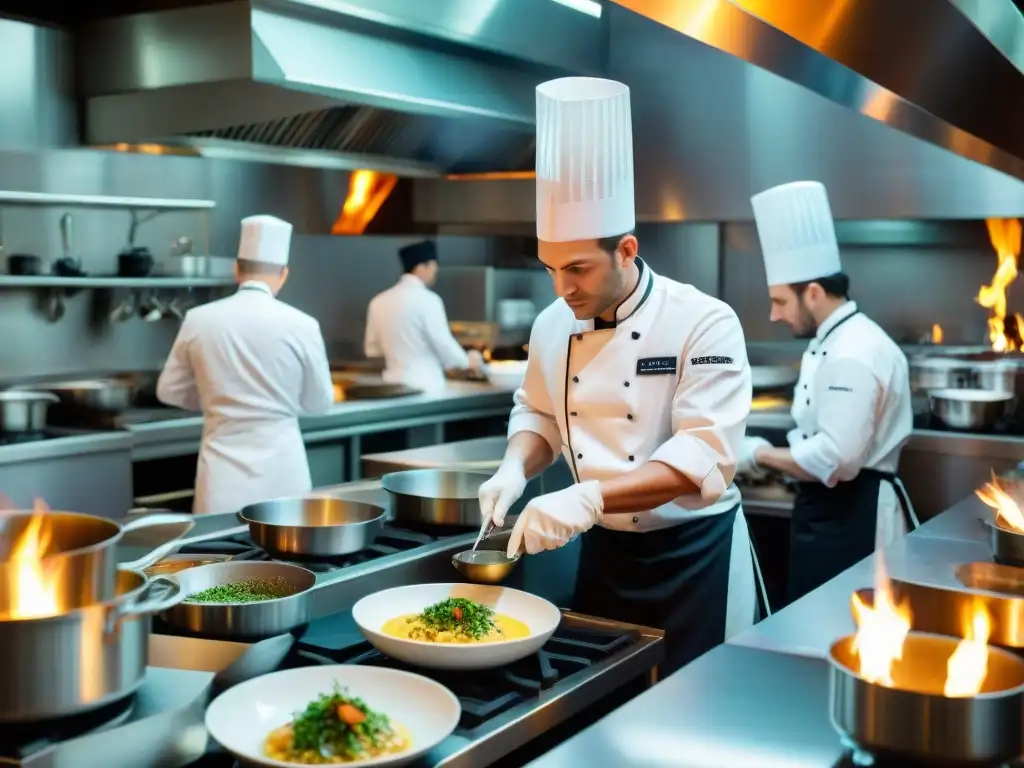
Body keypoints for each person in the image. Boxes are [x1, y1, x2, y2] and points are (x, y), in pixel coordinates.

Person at [477, 76, 756, 676]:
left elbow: (698, 457)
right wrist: (513, 466)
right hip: (603, 553)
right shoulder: (555, 323)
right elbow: (540, 413)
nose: (562, 289)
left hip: (694, 555)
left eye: (577, 268)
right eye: (550, 267)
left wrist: (588, 495)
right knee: (605, 708)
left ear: (627, 249)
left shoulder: (704, 321)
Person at [739, 180, 918, 606]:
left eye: (780, 301)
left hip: (851, 519)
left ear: (814, 293)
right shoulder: (835, 341)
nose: (773, 314)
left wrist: (757, 454)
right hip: (832, 513)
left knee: (837, 627)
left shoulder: (851, 353)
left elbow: (837, 458)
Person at [157, 215, 334, 515]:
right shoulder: (303, 325)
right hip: (284, 475)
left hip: (222, 477)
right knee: (287, 557)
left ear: (236, 269)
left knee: (219, 556)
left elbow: (168, 391)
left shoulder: (199, 319)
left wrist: (214, 399)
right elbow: (320, 403)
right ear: (284, 274)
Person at [364, 241, 480, 392]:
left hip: (392, 386)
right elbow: (442, 343)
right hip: (426, 386)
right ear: (420, 266)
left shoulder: (377, 301)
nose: (436, 270)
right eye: (433, 264)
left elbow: (372, 349)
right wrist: (466, 361)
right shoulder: (429, 300)